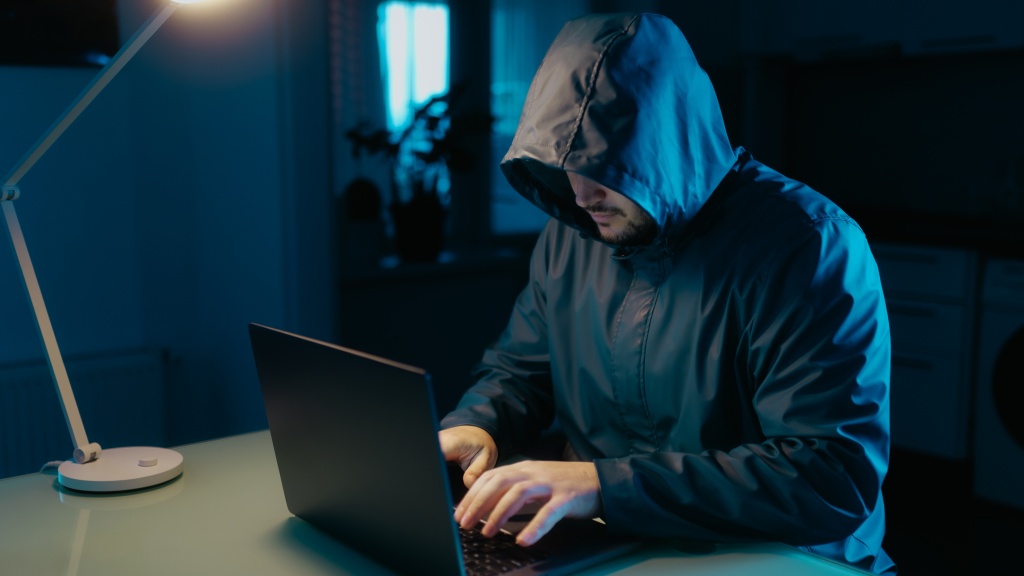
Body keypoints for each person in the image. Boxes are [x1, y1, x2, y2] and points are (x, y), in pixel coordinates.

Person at [438, 12, 895, 575]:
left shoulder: (809, 246)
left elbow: (830, 477)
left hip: (783, 556)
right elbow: (521, 370)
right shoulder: (573, 234)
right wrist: (478, 423)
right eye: (564, 164)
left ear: (666, 146)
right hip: (613, 542)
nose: (581, 195)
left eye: (603, 166)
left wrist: (602, 485)